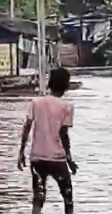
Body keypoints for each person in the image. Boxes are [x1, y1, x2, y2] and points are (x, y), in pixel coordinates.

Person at [17, 68, 78, 214]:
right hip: (57, 159)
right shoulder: (66, 107)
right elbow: (63, 135)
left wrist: (21, 152)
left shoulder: (36, 102)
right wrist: (69, 160)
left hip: (37, 158)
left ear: (50, 83)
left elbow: (27, 127)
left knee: (38, 197)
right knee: (67, 198)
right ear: (66, 86)